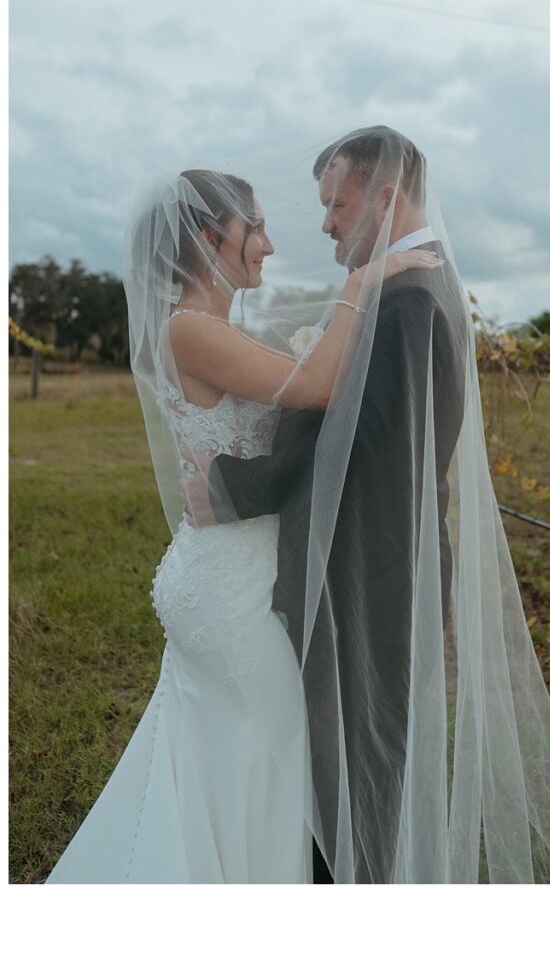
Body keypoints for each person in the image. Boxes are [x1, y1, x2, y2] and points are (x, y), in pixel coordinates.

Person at [180, 126, 550, 884]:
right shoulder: (404, 285)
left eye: (337, 202)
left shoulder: (407, 299)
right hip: (374, 562)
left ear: (386, 197)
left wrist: (229, 488)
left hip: (372, 574)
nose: (323, 221)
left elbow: (364, 450)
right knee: (346, 767)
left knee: (359, 778)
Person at [44, 166, 437, 884]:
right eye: (254, 227)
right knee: (277, 749)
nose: (270, 244)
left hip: (232, 575)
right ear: (209, 236)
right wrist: (359, 286)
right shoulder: (189, 329)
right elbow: (316, 387)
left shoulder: (216, 328)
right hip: (226, 592)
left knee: (223, 756)